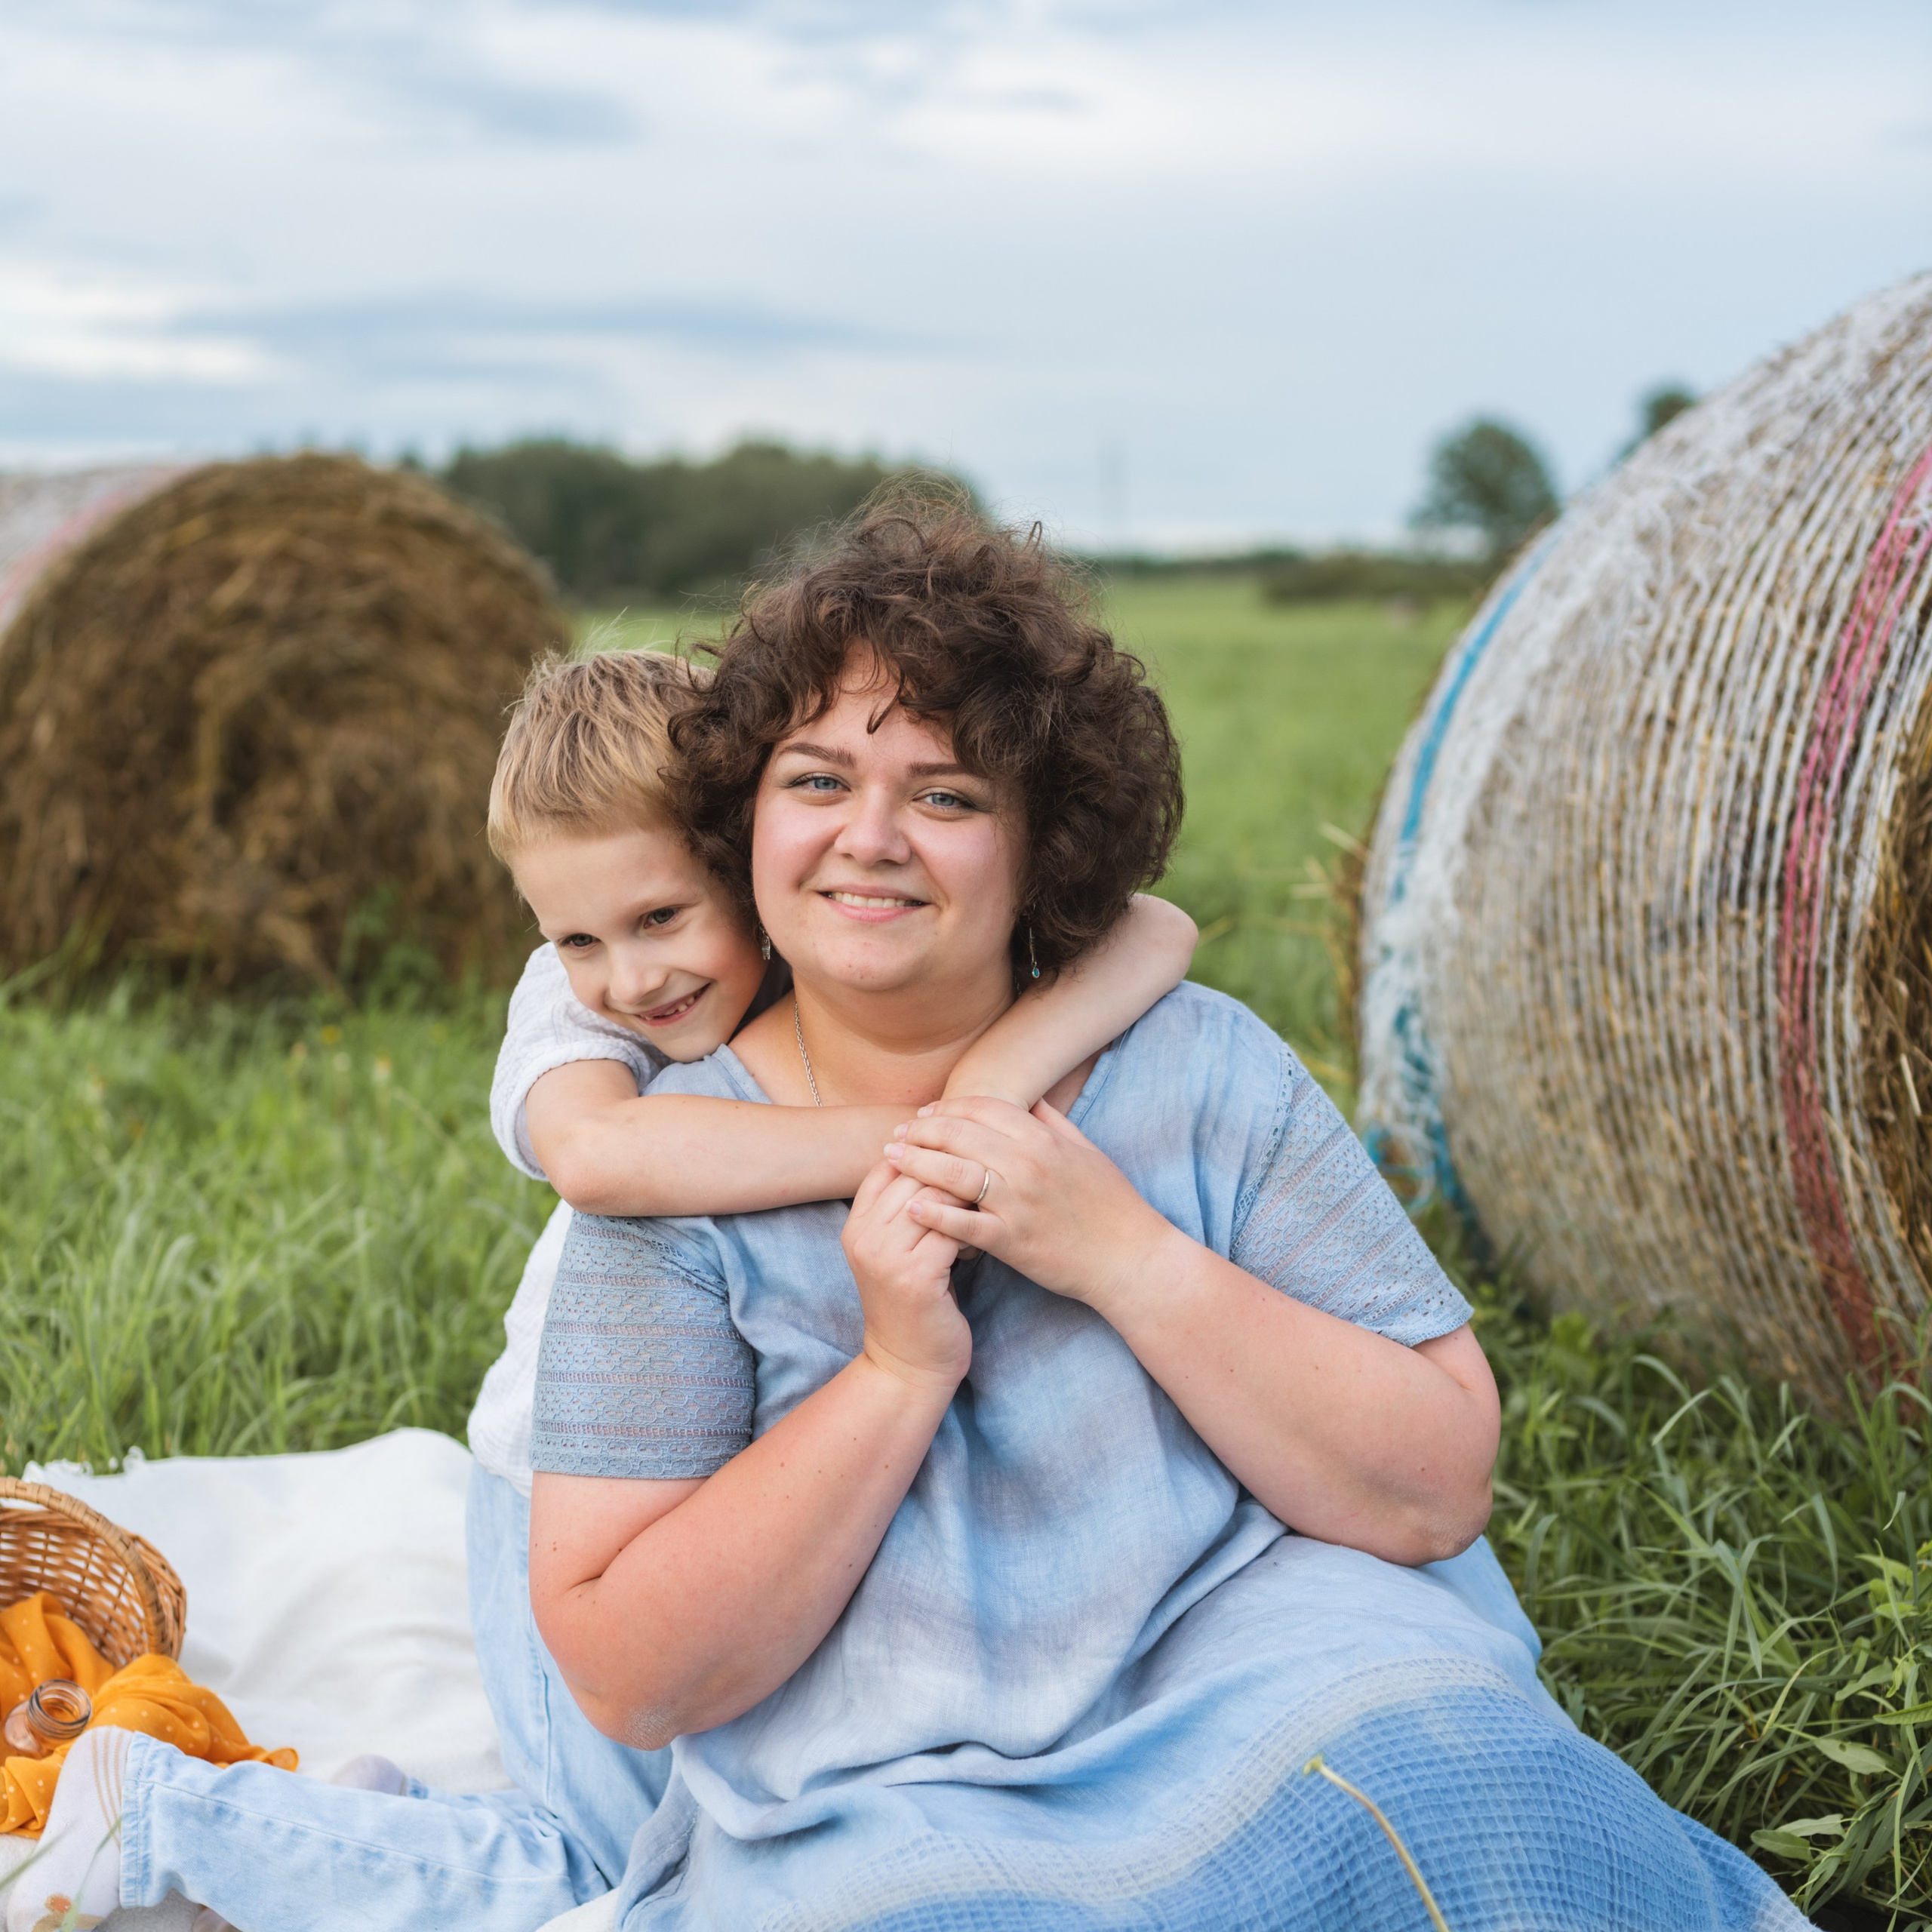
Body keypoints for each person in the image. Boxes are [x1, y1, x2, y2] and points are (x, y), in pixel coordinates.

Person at [528, 491, 1807, 1930]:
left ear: (1042, 844)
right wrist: (897, 1374)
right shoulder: (681, 1167)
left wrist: (1124, 1256)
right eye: (816, 782)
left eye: (946, 796)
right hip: (892, 1789)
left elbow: (1436, 1482)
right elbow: (630, 1675)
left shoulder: (1199, 1065)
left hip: (1274, 1679)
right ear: (740, 821)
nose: (870, 837)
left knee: (1506, 1825)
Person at [11, 649, 1195, 1932]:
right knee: (628, 1871)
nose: (629, 976)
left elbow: (1156, 928)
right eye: (576, 936)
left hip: (746, 1483)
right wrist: (930, 1135)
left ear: (753, 859)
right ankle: (166, 1818)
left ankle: (380, 1822)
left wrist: (981, 1087)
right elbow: (601, 1156)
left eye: (660, 919)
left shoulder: (831, 943)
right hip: (564, 1494)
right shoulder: (578, 1022)